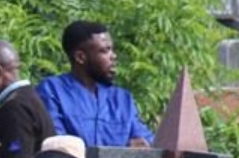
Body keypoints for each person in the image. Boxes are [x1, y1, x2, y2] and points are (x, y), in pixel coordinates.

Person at [35, 20, 154, 148]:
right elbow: (59, 147)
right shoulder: (52, 91)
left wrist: (143, 145)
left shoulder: (122, 99)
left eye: (112, 50)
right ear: (80, 57)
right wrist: (123, 149)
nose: (113, 56)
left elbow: (146, 143)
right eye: (104, 51)